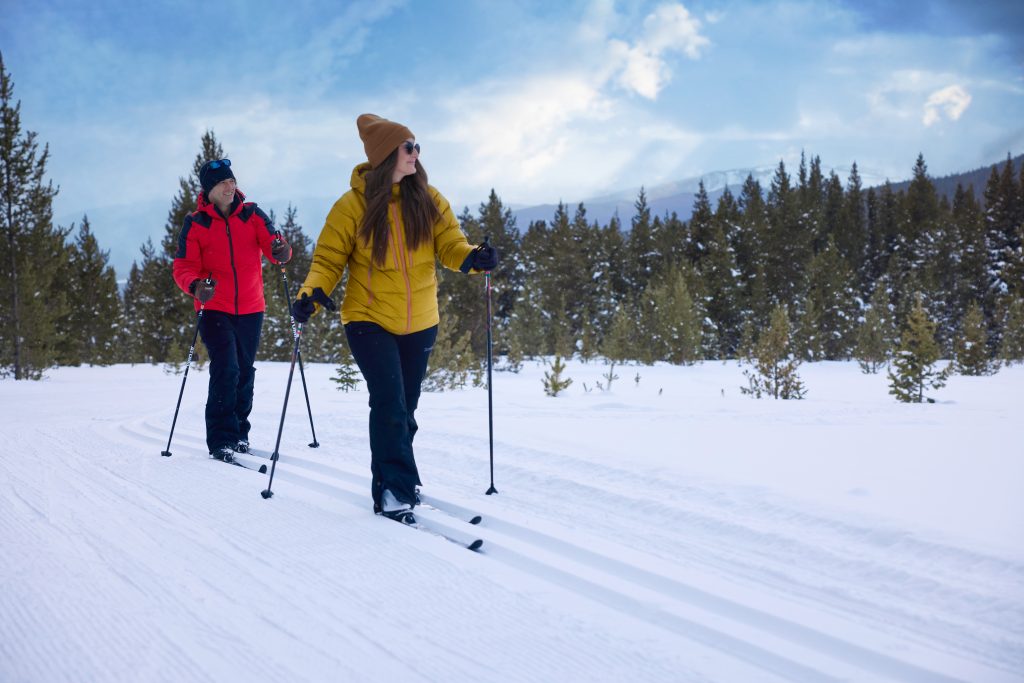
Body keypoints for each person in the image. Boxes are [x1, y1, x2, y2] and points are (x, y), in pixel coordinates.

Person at [291, 114, 498, 523]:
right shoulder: (352, 206)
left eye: (417, 146)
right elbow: (329, 261)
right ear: (388, 155)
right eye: (408, 147)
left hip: (421, 318)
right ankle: (394, 490)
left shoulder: (429, 198)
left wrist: (475, 258)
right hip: (368, 318)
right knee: (388, 401)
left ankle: (396, 477)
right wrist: (310, 295)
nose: (416, 153)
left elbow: (451, 246)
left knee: (406, 408)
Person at [173, 158, 292, 462]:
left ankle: (240, 433)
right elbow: (183, 266)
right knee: (226, 367)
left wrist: (281, 250)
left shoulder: (252, 214)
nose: (230, 186)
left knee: (244, 371)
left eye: (232, 181)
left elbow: (274, 247)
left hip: (251, 307)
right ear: (209, 190)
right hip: (214, 307)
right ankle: (221, 439)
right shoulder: (196, 223)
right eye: (223, 183)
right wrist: (196, 285)